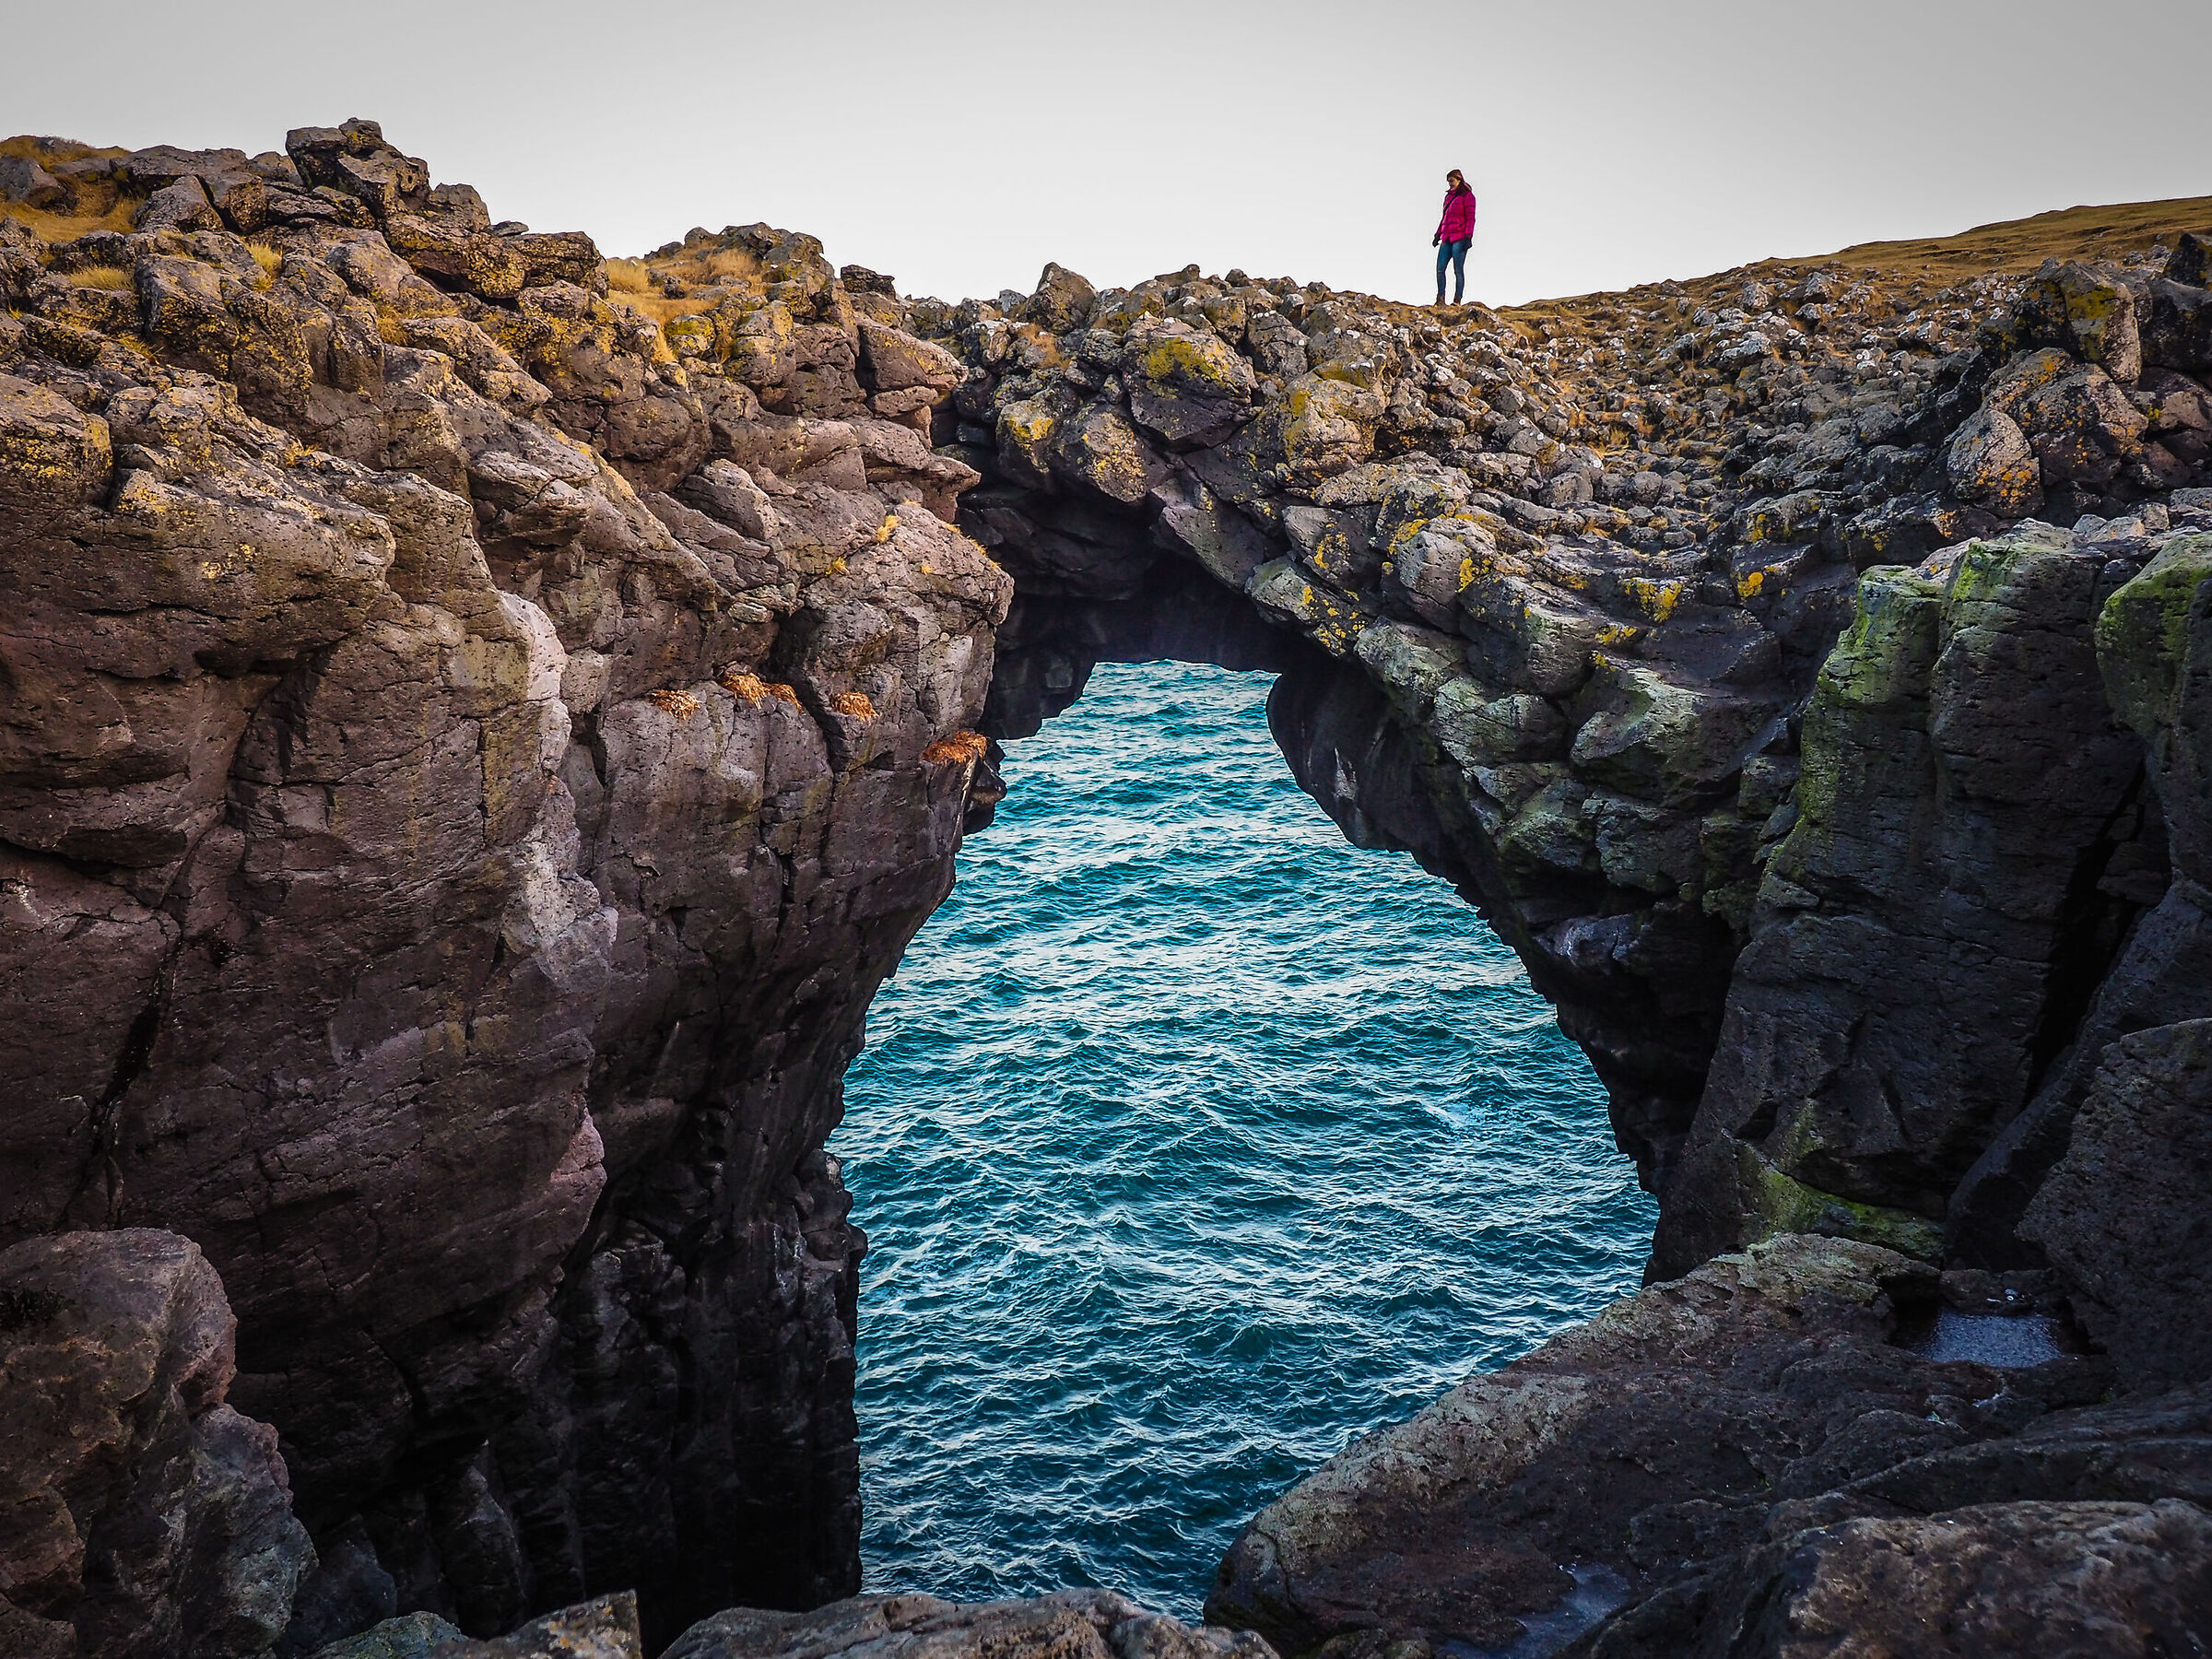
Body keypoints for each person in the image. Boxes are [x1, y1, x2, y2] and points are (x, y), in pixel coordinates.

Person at [1432, 170, 1477, 305]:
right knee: (1440, 268)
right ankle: (1440, 299)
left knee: (1458, 270)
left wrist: (1468, 236)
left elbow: (1471, 218)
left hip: (1460, 238)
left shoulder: (1467, 196)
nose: (1450, 184)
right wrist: (1438, 234)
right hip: (1447, 238)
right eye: (1449, 181)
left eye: (1452, 180)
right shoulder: (1448, 198)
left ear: (1459, 180)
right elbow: (1445, 217)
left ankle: (1457, 301)